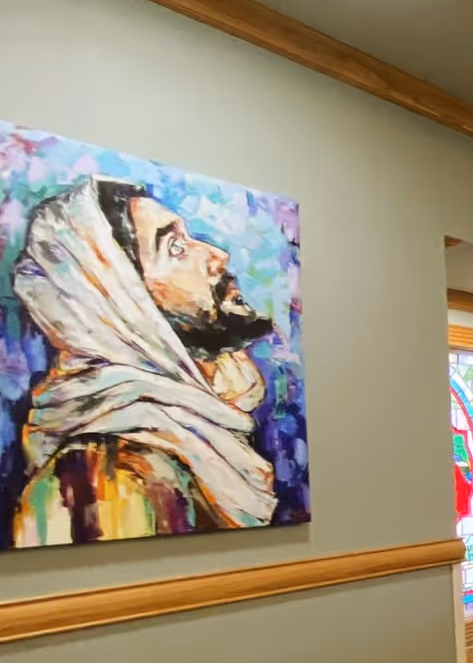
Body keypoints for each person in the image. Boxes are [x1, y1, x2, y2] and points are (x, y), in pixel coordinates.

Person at [10, 175, 279, 546]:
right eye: (175, 248)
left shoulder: (210, 417)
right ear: (122, 305)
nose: (217, 256)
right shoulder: (100, 478)